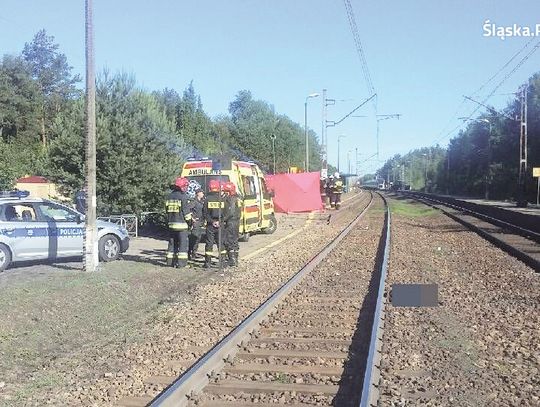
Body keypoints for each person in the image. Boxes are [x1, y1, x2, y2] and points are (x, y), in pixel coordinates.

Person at [165, 177, 192, 268]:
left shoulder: (169, 196)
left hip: (171, 224)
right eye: (186, 186)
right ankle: (181, 264)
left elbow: (166, 211)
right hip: (182, 226)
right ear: (183, 187)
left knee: (172, 244)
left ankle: (169, 262)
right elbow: (186, 214)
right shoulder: (183, 197)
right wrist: (190, 223)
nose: (187, 188)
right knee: (183, 245)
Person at [203, 179, 228, 269]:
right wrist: (220, 222)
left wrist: (212, 222)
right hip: (220, 225)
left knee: (209, 243)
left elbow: (205, 213)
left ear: (210, 188)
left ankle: (208, 263)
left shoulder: (207, 199)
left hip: (210, 225)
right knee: (221, 244)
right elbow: (226, 213)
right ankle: (222, 262)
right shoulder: (223, 199)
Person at [223, 181, 241, 267]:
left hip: (231, 222)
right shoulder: (237, 198)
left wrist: (223, 219)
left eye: (225, 191)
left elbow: (230, 212)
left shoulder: (230, 199)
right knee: (235, 240)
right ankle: (236, 259)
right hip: (236, 222)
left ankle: (232, 260)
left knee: (229, 241)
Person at [188, 188, 205, 260]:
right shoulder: (194, 202)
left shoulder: (201, 201)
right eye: (202, 193)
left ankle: (194, 253)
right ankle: (190, 253)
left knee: (198, 238)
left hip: (201, 222)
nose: (203, 194)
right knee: (194, 238)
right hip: (196, 222)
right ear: (198, 193)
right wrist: (192, 218)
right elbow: (188, 210)